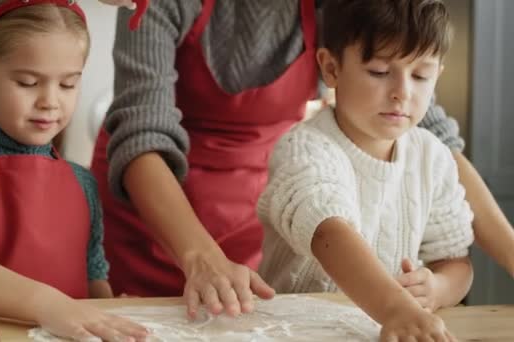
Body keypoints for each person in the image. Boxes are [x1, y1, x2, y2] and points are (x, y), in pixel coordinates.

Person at [93, 0, 514, 318]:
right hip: (156, 216)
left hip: (259, 216)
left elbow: (428, 130)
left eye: (421, 77)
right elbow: (142, 130)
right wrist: (202, 259)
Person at [0, 1, 147, 341]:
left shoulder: (83, 183)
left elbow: (93, 275)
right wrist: (50, 306)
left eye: (67, 85)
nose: (50, 100)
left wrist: (109, 314)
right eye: (29, 82)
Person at [257, 0, 471, 340]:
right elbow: (329, 233)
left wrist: (438, 288)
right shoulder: (306, 148)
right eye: (379, 72)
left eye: (420, 75)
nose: (402, 92)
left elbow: (456, 263)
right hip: (289, 331)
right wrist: (396, 307)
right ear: (331, 69)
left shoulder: (433, 158)